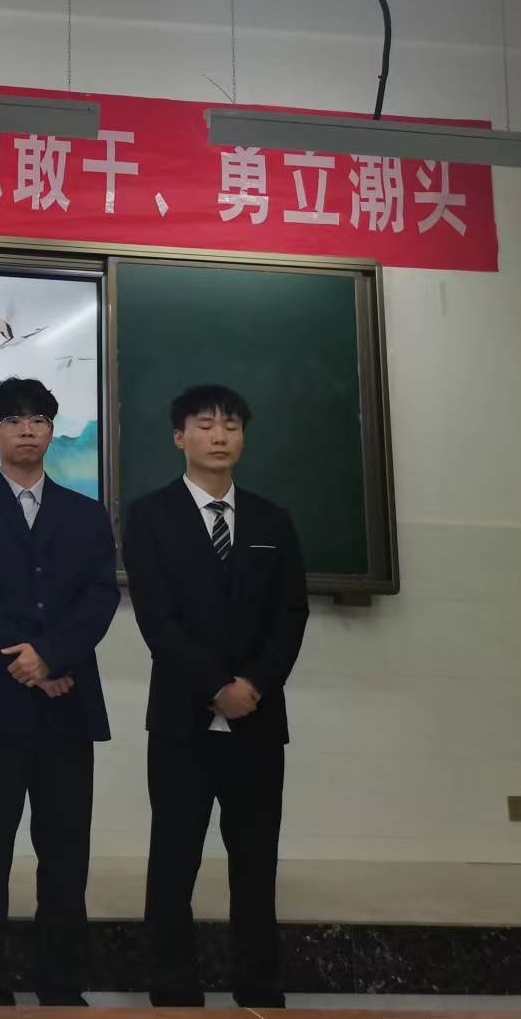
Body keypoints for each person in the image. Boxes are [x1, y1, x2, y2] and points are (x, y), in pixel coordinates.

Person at [122, 384, 309, 1009]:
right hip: (182, 719)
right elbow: (158, 619)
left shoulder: (272, 519)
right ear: (180, 437)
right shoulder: (150, 516)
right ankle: (173, 987)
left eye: (231, 425)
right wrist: (215, 687)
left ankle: (258, 985)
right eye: (205, 424)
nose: (220, 435)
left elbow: (290, 614)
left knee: (255, 860)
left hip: (259, 718)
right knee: (174, 858)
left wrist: (252, 685)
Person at [0, 376, 119, 1007]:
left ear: (51, 431)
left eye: (38, 419)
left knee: (65, 853)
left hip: (67, 706)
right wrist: (30, 659)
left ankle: (62, 985)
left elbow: (101, 596)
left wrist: (53, 656)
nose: (26, 430)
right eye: (13, 420)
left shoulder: (86, 513)